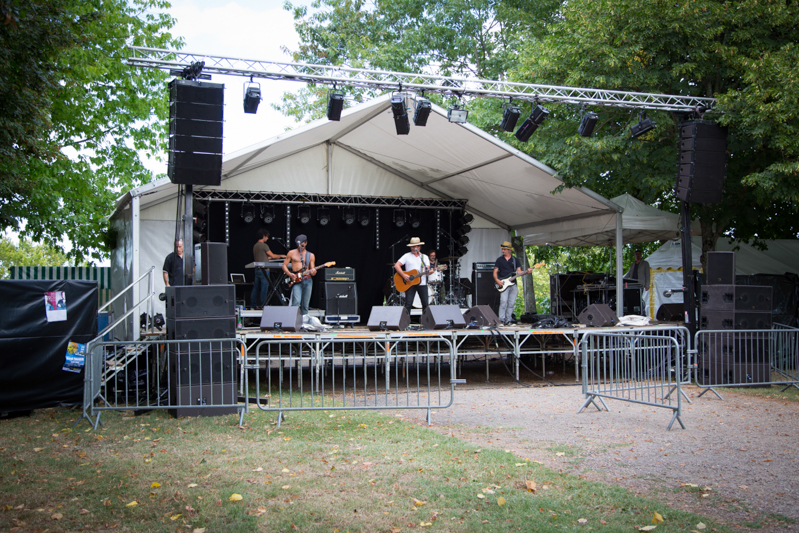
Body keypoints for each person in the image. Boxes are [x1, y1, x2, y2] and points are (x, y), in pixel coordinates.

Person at [493, 240, 531, 325]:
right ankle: (501, 320)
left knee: (511, 303)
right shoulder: (499, 260)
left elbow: (519, 272)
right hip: (503, 283)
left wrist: (527, 271)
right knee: (503, 302)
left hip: (513, 284)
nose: (503, 251)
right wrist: (497, 280)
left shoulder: (515, 260)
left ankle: (508, 320)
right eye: (502, 249)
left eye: (504, 249)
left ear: (509, 250)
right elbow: (495, 271)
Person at [395, 237, 434, 318]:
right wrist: (403, 275)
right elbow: (396, 265)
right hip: (409, 283)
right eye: (412, 246)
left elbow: (427, 271)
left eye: (415, 246)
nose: (413, 248)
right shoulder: (406, 256)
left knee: (425, 304)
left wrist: (429, 272)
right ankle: (405, 323)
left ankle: (425, 322)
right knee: (408, 304)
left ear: (419, 247)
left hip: (422, 283)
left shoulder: (424, 257)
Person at [251, 228, 286, 309]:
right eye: (267, 237)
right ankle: (263, 305)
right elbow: (273, 255)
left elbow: (266, 257)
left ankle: (253, 305)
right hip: (264, 270)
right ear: (263, 236)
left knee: (256, 287)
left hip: (257, 269)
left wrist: (274, 257)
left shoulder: (255, 246)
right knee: (264, 287)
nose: (267, 238)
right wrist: (282, 256)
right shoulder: (264, 245)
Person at [282, 234, 316, 316]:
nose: (301, 247)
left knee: (305, 304)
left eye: (302, 245)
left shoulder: (310, 255)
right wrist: (289, 274)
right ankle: (293, 321)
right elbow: (284, 265)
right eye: (299, 245)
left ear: (306, 243)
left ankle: (304, 322)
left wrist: (313, 272)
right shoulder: (291, 253)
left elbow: (313, 270)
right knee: (296, 301)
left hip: (307, 279)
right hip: (296, 280)